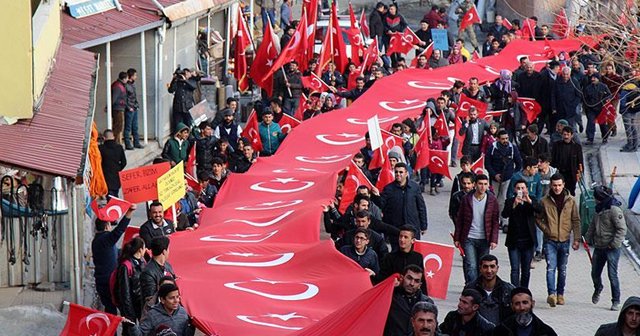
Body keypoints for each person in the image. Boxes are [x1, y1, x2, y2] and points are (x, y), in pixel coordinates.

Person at [534, 173, 580, 307]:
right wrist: (547, 230)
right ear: (550, 185)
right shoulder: (544, 201)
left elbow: (576, 220)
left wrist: (576, 238)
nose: (557, 188)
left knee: (562, 269)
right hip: (550, 240)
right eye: (554, 185)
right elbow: (538, 218)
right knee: (550, 267)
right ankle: (552, 294)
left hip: (565, 239)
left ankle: (561, 294)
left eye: (559, 185)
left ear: (563, 185)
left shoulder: (570, 201)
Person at [587, 185, 627, 311]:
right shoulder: (598, 210)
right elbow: (592, 226)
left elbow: (622, 229)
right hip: (599, 246)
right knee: (595, 273)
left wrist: (613, 244)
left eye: (595, 198)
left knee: (612, 274)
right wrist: (587, 239)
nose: (594, 200)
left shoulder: (614, 210)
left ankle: (616, 300)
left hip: (611, 248)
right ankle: (598, 287)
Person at [454, 174, 500, 284]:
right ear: (475, 185)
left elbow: (495, 221)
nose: (482, 187)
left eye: (485, 184)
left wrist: (494, 239)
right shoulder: (467, 199)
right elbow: (460, 219)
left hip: (485, 238)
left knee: (483, 266)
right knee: (471, 265)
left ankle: (481, 288)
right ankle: (472, 288)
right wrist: (457, 238)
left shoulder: (492, 200)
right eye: (480, 184)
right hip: (469, 237)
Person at [92, 204, 136, 315]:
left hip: (103, 280)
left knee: (111, 310)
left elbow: (114, 253)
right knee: (116, 310)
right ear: (107, 226)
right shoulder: (105, 239)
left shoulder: (98, 240)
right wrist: (129, 213)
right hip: (109, 282)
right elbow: (119, 230)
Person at [378, 162, 428, 248]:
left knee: (413, 253)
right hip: (395, 229)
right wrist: (376, 196)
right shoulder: (388, 189)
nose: (398, 174)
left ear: (406, 173)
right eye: (396, 172)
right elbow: (381, 205)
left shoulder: (414, 187)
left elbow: (421, 207)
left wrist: (424, 225)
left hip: (412, 226)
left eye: (401, 172)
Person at [502, 180, 538, 287]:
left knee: (526, 270)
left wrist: (529, 201)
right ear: (514, 190)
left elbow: (540, 210)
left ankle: (524, 291)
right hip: (514, 241)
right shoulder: (510, 201)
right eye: (518, 188)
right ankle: (514, 291)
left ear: (527, 189)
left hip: (528, 241)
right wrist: (514, 204)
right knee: (515, 269)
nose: (520, 190)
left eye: (523, 188)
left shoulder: (532, 199)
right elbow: (504, 214)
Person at [486, 130, 523, 229]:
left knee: (504, 199)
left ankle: (505, 221)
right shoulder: (492, 148)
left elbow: (519, 163)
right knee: (495, 199)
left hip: (508, 179)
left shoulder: (512, 148)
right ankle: (495, 220)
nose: (505, 140)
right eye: (503, 139)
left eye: (506, 138)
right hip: (495, 179)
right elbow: (487, 164)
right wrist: (494, 174)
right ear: (498, 139)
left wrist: (512, 174)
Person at [465, 254, 515, 326]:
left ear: (497, 268)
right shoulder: (470, 289)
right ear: (480, 268)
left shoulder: (508, 290)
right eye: (485, 267)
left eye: (492, 266)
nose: (489, 270)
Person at [384, 264, 434, 336]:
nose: (412, 283)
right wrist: (389, 286)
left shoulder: (427, 302)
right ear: (402, 278)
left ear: (420, 284)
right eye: (409, 278)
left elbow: (433, 328)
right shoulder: (390, 296)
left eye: (416, 281)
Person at [114, 237, 146, 336]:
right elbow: (125, 292)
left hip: (139, 304)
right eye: (144, 248)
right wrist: (129, 314)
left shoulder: (142, 262)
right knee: (128, 332)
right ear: (140, 250)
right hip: (129, 307)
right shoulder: (126, 266)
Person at [492, 287, 558, 336]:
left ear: (532, 303)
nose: (522, 308)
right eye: (517, 304)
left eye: (525, 303)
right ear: (512, 306)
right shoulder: (501, 330)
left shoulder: (546, 332)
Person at [141, 236, 176, 314]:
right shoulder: (148, 273)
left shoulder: (167, 266)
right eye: (168, 248)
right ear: (164, 251)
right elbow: (151, 300)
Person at [550, 126, 583, 196]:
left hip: (571, 174)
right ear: (562, 135)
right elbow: (552, 159)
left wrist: (580, 173)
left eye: (568, 135)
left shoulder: (577, 147)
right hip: (560, 172)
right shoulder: (556, 145)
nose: (566, 137)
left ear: (572, 135)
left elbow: (580, 161)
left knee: (571, 192)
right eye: (564, 134)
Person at [583, 73, 612, 144]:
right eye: (592, 78)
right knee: (590, 123)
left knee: (602, 124)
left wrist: (606, 100)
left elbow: (609, 95)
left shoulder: (603, 86)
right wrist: (586, 108)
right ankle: (590, 139)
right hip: (591, 109)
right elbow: (585, 98)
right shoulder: (588, 88)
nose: (593, 79)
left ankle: (605, 137)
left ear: (598, 79)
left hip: (601, 109)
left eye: (594, 78)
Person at [552, 66, 583, 131]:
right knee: (560, 126)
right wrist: (554, 107)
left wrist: (573, 105)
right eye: (564, 74)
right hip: (560, 108)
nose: (565, 76)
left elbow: (578, 95)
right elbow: (553, 95)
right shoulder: (557, 82)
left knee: (571, 127)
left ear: (570, 74)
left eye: (567, 74)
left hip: (570, 108)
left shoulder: (574, 82)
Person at [99, 129, 127, 197]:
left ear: (104, 138)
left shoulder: (101, 148)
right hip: (116, 177)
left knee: (110, 197)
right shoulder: (119, 147)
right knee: (115, 195)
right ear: (113, 137)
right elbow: (124, 162)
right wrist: (118, 169)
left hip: (105, 177)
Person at [123, 68, 143, 150]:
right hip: (130, 109)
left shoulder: (132, 85)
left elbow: (134, 97)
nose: (136, 77)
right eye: (135, 75)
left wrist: (136, 105)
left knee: (135, 126)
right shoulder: (126, 86)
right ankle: (128, 143)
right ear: (131, 76)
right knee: (128, 127)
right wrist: (129, 107)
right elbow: (124, 98)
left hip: (134, 107)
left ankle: (136, 142)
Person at [111, 71, 128, 144]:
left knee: (118, 126)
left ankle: (117, 141)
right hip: (118, 109)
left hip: (119, 108)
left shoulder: (119, 85)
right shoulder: (118, 86)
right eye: (127, 78)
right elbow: (113, 98)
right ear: (124, 79)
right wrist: (108, 107)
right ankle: (116, 142)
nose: (127, 80)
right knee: (118, 126)